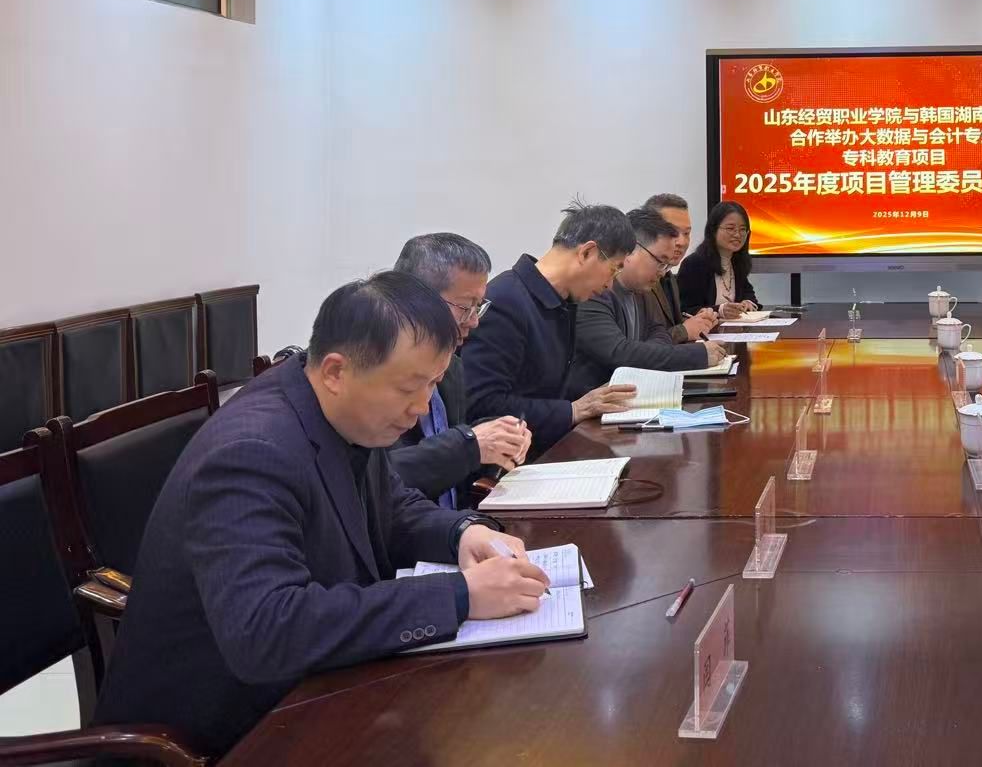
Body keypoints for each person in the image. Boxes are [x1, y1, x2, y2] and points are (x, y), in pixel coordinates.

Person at [94, 273, 554, 757]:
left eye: (433, 384)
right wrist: (459, 596)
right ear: (336, 371)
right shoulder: (252, 451)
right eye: (409, 388)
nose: (421, 409)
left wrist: (461, 532)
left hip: (312, 691)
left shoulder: (340, 410)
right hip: (215, 736)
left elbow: (391, 506)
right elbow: (267, 630)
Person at [461, 203, 640, 453]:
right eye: (612, 270)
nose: (610, 286)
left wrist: (594, 399)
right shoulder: (506, 302)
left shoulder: (563, 302)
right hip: (514, 461)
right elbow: (481, 405)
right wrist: (572, 410)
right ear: (587, 253)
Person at [388, 232, 531, 505]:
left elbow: (446, 453)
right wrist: (469, 445)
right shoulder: (374, 372)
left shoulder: (452, 366)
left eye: (479, 307)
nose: (474, 321)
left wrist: (494, 439)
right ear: (415, 298)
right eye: (465, 307)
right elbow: (380, 478)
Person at [570, 208, 730, 395]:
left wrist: (645, 352)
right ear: (631, 250)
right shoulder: (595, 290)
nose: (662, 272)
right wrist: (698, 354)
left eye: (667, 265)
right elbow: (619, 353)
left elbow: (658, 331)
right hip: (593, 400)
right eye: (660, 261)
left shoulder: (643, 289)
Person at [642, 192, 720, 343]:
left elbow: (670, 324)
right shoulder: (636, 278)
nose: (682, 242)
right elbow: (639, 343)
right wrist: (684, 330)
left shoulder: (669, 275)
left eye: (686, 233)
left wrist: (698, 321)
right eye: (672, 233)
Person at [678, 200, 760, 319]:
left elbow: (749, 294)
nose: (737, 235)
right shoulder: (694, 264)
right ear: (713, 230)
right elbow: (685, 310)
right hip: (705, 330)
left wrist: (747, 302)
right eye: (730, 228)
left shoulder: (737, 262)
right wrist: (719, 310)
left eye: (743, 229)